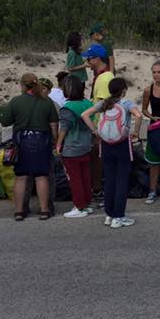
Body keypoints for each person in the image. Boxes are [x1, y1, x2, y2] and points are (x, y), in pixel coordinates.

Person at [83, 77, 142, 228]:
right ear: (124, 91)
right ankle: (119, 216)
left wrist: (95, 131)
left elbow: (85, 115)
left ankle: (109, 215)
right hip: (122, 145)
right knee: (121, 181)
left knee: (109, 180)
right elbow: (138, 115)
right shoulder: (126, 104)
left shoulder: (104, 104)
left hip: (106, 145)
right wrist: (135, 132)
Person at [0, 73, 59, 221]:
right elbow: (53, 124)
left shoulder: (16, 101)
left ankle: (19, 211)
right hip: (42, 141)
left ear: (22, 85)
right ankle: (44, 210)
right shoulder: (47, 101)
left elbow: (5, 122)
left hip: (21, 141)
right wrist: (55, 141)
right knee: (41, 176)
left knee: (21, 177)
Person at [55, 75, 94, 218]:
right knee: (85, 176)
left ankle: (79, 206)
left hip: (72, 148)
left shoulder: (67, 108)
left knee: (74, 178)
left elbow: (64, 128)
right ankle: (87, 203)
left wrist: (58, 144)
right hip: (86, 145)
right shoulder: (87, 103)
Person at [84, 43, 114, 201]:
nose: (87, 62)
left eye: (89, 59)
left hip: (101, 126)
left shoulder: (104, 78)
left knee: (98, 160)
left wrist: (96, 128)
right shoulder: (102, 76)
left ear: (97, 59)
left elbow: (103, 105)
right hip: (101, 125)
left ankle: (99, 190)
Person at [141, 60, 160, 205]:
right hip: (155, 128)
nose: (156, 75)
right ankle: (152, 191)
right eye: (154, 72)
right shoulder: (148, 90)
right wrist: (152, 117)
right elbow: (144, 109)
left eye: (159, 72)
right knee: (154, 162)